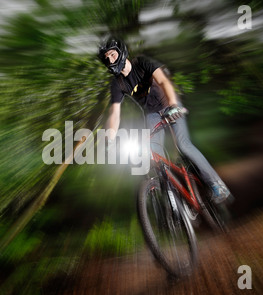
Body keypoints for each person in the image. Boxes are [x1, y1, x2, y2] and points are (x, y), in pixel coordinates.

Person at [97, 36, 231, 204]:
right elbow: (114, 114)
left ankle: (217, 185)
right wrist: (109, 138)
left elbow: (163, 81)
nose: (110, 60)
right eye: (106, 58)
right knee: (155, 159)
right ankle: (175, 203)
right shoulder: (117, 84)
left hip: (169, 105)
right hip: (151, 115)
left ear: (121, 52)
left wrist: (174, 105)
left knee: (183, 145)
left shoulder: (141, 63)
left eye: (112, 55)